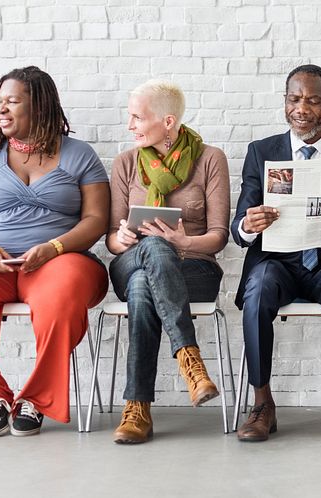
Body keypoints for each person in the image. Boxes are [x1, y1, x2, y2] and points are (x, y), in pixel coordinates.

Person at [0, 66, 109, 438]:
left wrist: (54, 246)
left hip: (60, 259)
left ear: (40, 106)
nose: (2, 110)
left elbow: (96, 220)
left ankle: (36, 400)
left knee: (61, 298)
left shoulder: (80, 156)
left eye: (12, 101)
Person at [232, 64, 321, 443]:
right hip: (277, 262)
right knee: (258, 285)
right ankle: (262, 401)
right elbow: (238, 228)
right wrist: (250, 224)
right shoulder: (261, 152)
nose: (302, 108)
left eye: (312, 100)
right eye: (294, 99)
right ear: (285, 103)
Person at [106, 80, 230, 444]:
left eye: (137, 118)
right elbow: (112, 241)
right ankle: (191, 362)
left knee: (146, 285)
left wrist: (184, 240)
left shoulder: (210, 159)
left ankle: (137, 409)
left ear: (168, 121)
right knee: (153, 252)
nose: (130, 126)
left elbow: (219, 236)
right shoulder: (126, 163)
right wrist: (122, 237)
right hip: (131, 261)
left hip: (194, 266)